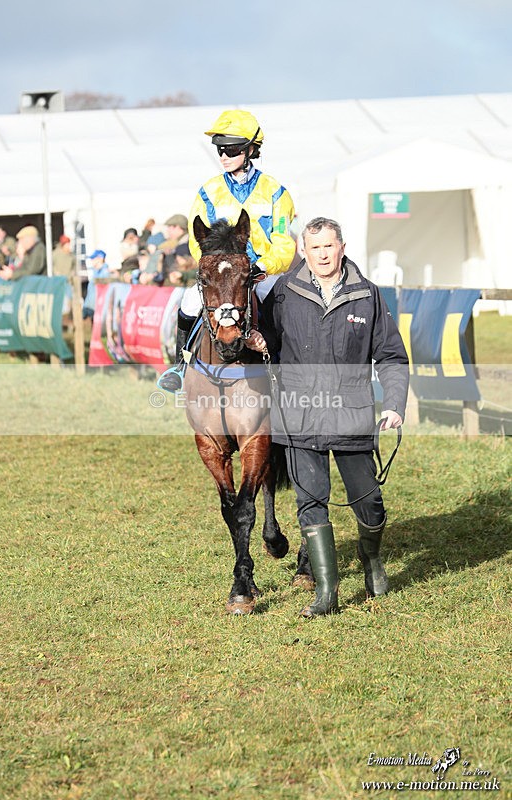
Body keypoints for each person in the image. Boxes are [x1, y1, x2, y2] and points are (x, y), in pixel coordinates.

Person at [271, 217, 409, 617]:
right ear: (303, 251)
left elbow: (392, 356)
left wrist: (394, 404)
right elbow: (265, 347)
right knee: (310, 502)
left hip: (352, 416)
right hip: (298, 418)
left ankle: (372, 558)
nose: (322, 255)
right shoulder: (282, 293)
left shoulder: (367, 295)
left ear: (342, 248)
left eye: (329, 246)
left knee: (370, 503)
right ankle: (326, 593)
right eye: (314, 248)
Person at [158, 109, 296, 392]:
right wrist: (216, 269)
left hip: (262, 273)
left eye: (231, 150)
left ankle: (288, 374)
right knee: (189, 300)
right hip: (223, 275)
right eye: (220, 149)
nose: (223, 156)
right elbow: (198, 240)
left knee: (284, 307)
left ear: (251, 150)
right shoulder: (208, 192)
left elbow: (284, 242)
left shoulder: (276, 191)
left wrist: (263, 266)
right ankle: (179, 367)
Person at [82, 249, 113, 322]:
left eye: (93, 258)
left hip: (97, 308)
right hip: (89, 307)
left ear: (100, 259)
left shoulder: (105, 272)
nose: (91, 261)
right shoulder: (95, 271)